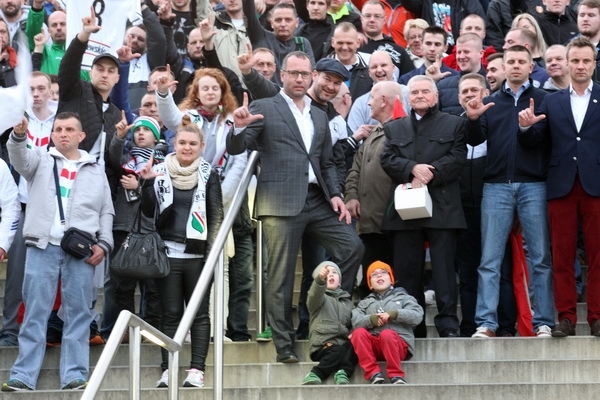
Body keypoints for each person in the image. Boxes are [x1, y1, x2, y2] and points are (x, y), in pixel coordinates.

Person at [228, 51, 364, 363]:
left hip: (317, 200)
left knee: (352, 247)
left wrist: (336, 195)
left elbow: (326, 162)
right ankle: (284, 343)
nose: (300, 79)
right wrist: (237, 127)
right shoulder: (264, 106)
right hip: (279, 202)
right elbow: (238, 146)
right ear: (283, 75)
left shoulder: (319, 114)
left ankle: (324, 312)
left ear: (312, 76)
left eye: (305, 74)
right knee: (280, 277)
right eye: (294, 73)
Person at [2, 112, 114, 392]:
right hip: (42, 245)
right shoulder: (39, 159)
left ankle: (74, 375)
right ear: (52, 135)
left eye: (69, 129)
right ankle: (23, 376)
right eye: (58, 129)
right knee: (35, 313)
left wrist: (105, 244)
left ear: (81, 136)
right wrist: (18, 135)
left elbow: (106, 211)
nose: (63, 133)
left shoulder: (95, 168)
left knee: (78, 313)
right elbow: (18, 157)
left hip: (81, 250)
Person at [464, 45, 553, 338]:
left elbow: (541, 142)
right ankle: (486, 323)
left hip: (534, 184)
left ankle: (543, 322)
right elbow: (475, 141)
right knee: (489, 259)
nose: (515, 66)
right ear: (503, 68)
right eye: (510, 61)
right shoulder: (490, 102)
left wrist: (527, 130)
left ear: (531, 67)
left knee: (539, 257)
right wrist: (474, 119)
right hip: (496, 186)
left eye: (521, 62)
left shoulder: (544, 100)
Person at [518, 37, 600, 337]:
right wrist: (526, 127)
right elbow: (535, 142)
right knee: (562, 256)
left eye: (585, 61)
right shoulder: (550, 101)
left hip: (596, 185)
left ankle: (597, 317)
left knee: (598, 255)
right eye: (575, 60)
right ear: (567, 63)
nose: (580, 66)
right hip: (561, 185)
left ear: (594, 64)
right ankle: (565, 317)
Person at [380, 75, 467, 338]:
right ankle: (412, 327)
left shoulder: (455, 124)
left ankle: (448, 324)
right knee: (407, 271)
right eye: (414, 92)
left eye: (425, 91)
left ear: (436, 95)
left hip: (443, 206)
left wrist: (433, 171)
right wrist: (411, 169)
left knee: (443, 270)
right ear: (407, 98)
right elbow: (387, 158)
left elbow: (458, 156)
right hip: (405, 209)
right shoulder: (394, 128)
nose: (419, 96)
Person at [140, 120, 223, 388]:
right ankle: (168, 368)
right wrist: (146, 184)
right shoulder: (160, 170)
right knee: (170, 313)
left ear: (202, 147)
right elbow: (147, 213)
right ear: (174, 144)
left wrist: (211, 255)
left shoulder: (210, 173)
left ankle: (197, 368)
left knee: (199, 314)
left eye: (192, 143)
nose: (187, 147)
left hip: (198, 257)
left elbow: (216, 215)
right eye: (182, 143)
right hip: (167, 254)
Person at [345, 81, 402, 298]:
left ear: (384, 101)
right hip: (369, 224)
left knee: (392, 281)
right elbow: (355, 169)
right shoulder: (372, 134)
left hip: (393, 224)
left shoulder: (403, 130)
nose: (368, 103)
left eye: (372, 98)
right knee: (372, 282)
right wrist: (351, 196)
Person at [351, 261, 423, 384]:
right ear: (370, 284)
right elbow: (355, 321)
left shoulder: (405, 297)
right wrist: (370, 320)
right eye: (374, 274)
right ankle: (373, 373)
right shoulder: (364, 303)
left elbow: (417, 316)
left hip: (398, 345)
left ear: (391, 279)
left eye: (383, 272)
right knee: (358, 333)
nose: (379, 275)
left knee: (387, 334)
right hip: (375, 346)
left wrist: (394, 314)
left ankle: (396, 375)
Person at [301, 261, 356, 385]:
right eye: (327, 273)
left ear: (340, 282)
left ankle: (343, 372)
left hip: (342, 343)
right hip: (322, 345)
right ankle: (316, 373)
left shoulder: (347, 303)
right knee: (337, 351)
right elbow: (314, 295)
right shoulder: (318, 299)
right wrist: (320, 280)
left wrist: (353, 333)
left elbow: (353, 322)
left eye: (334, 273)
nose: (330, 275)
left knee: (356, 345)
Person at [357, 0, 415, 76]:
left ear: (384, 20)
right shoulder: (353, 47)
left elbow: (410, 81)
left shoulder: (398, 52)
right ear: (361, 19)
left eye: (377, 16)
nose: (372, 20)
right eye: (368, 16)